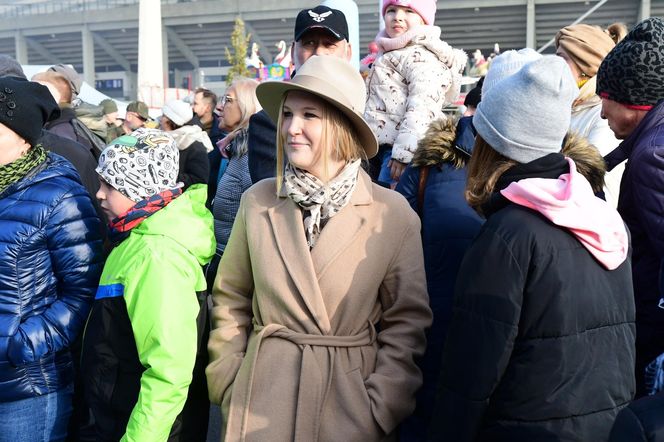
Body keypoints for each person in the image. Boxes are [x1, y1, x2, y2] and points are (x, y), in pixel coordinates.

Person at [206, 55, 431, 441]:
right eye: (288, 114)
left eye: (310, 115)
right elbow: (230, 299)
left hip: (347, 408)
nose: (292, 128)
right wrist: (229, 383)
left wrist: (379, 406)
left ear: (343, 126)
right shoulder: (259, 200)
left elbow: (406, 323)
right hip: (260, 398)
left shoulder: (391, 214)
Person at [432, 56, 635, 441]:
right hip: (606, 426)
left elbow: (472, 371)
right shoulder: (605, 219)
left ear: (489, 144)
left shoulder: (508, 235)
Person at [81, 128, 215, 441]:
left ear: (141, 187)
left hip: (137, 426)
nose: (99, 193)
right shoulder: (135, 236)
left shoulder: (155, 255)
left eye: (110, 184)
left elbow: (168, 371)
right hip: (120, 414)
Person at [0, 76, 104, 441]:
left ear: (24, 138)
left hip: (27, 384)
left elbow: (83, 290)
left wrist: (22, 344)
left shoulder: (59, 194)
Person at [395, 117, 484, 441]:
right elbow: (394, 247)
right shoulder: (431, 164)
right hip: (432, 339)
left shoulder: (565, 169)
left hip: (506, 351)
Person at [597, 17, 664, 399]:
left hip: (651, 326)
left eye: (606, 99)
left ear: (635, 101)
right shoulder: (650, 138)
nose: (602, 113)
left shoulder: (652, 156)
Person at [247, 4, 352, 184]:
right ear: (293, 50)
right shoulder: (269, 121)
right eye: (309, 43)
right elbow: (277, 193)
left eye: (329, 44)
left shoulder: (370, 114)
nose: (318, 52)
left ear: (347, 52)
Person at [364, 0, 466, 184]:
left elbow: (423, 106)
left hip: (397, 151)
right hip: (376, 148)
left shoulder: (422, 56)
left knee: (388, 205)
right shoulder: (388, 53)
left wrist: (405, 152)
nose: (398, 17)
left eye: (408, 11)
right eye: (391, 10)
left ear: (424, 20)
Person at [555, 22, 627, 207]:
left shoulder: (603, 116)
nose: (555, 67)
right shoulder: (571, 106)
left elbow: (591, 175)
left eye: (562, 60)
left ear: (585, 67)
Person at [208, 78, 261, 289]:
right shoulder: (234, 148)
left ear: (247, 107)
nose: (219, 106)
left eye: (228, 100)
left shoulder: (250, 155)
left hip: (237, 268)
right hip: (224, 256)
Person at [161, 99, 212, 189]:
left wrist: (166, 176)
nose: (160, 119)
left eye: (164, 116)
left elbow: (199, 179)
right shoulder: (165, 139)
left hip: (182, 200)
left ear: (171, 121)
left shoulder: (194, 144)